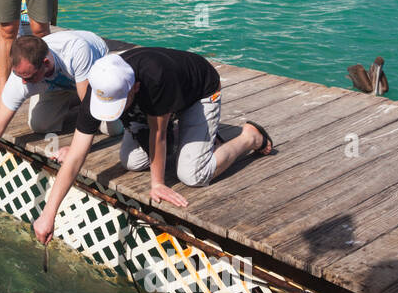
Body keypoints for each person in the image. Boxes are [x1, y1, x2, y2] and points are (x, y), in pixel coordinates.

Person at [30, 48, 274, 243]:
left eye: (118, 105)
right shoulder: (101, 85)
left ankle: (249, 137)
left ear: (134, 88)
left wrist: (157, 184)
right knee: (133, 161)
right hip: (162, 101)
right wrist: (47, 215)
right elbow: (75, 156)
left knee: (194, 175)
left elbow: (158, 135)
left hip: (199, 90)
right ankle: (202, 136)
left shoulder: (155, 78)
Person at [0, 30, 108, 196]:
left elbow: (89, 112)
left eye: (28, 77)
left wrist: (74, 149)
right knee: (40, 124)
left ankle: (79, 97)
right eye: (19, 75)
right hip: (60, 86)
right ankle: (72, 99)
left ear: (46, 63)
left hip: (93, 78)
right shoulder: (20, 75)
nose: (23, 82)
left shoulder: (76, 52)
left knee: (109, 128)